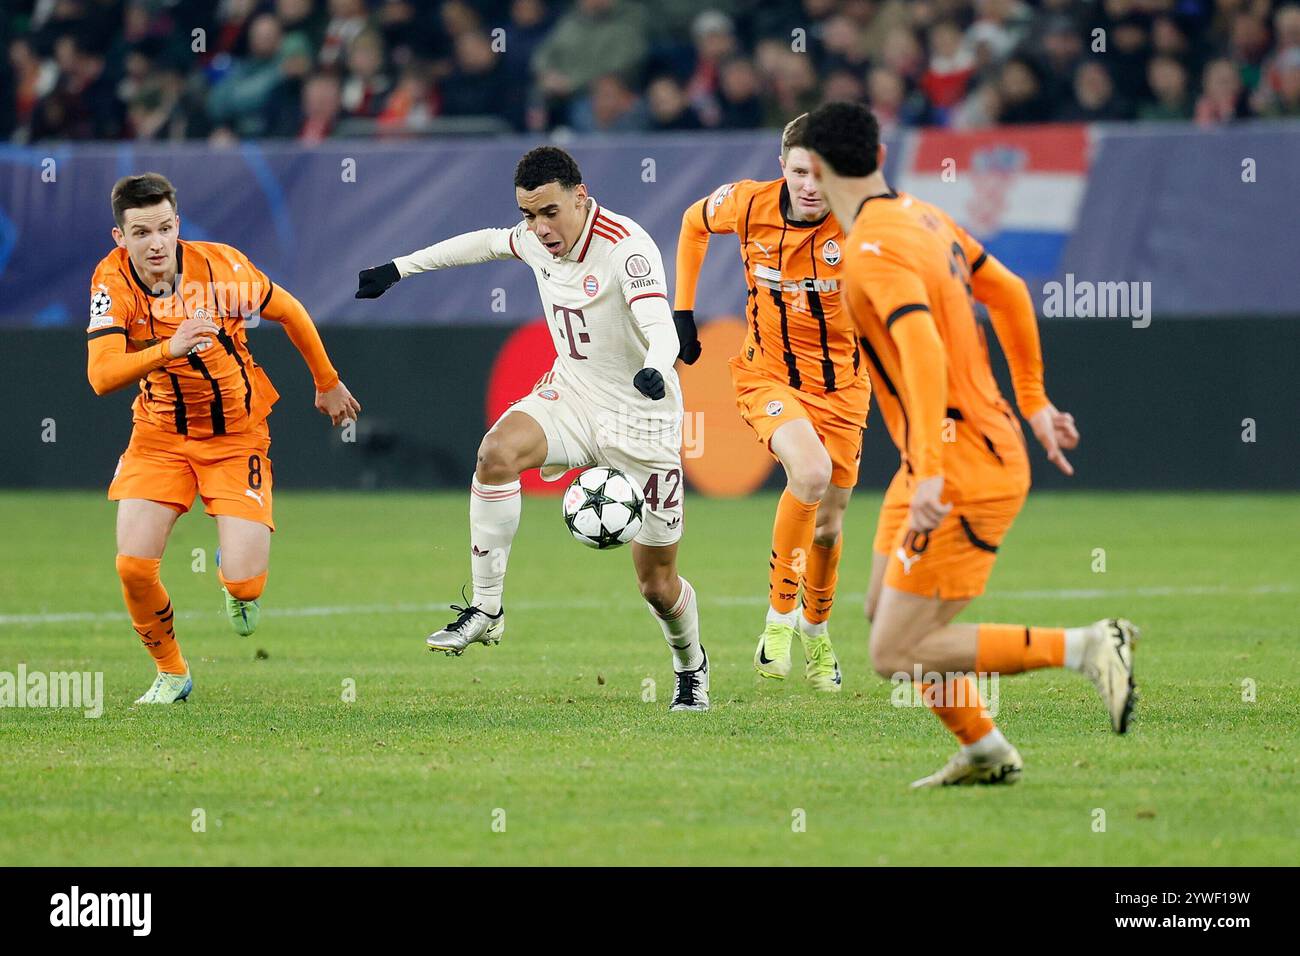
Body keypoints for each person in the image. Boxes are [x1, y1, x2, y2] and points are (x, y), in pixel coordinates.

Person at [801, 102, 1138, 787]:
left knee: (896, 651)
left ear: (822, 170)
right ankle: (985, 750)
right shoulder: (924, 217)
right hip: (953, 455)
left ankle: (1089, 647)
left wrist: (927, 471)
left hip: (955, 467)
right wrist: (1035, 401)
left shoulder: (869, 250)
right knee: (880, 610)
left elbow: (920, 349)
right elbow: (1009, 291)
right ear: (880, 159)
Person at [355, 147, 708, 711]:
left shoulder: (626, 246)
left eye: (549, 212)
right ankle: (488, 609)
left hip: (641, 417)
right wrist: (399, 268)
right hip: (571, 394)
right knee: (495, 453)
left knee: (656, 586)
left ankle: (690, 666)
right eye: (528, 215)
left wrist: (656, 365)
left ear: (580, 196)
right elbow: (480, 243)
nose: (539, 229)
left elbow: (657, 324)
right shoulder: (530, 237)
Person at [87, 173, 360, 704]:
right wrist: (170, 348)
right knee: (133, 567)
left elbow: (289, 310)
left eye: (165, 228)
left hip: (236, 434)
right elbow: (101, 376)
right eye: (141, 233)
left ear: (178, 225)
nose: (157, 243)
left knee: (245, 584)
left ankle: (233, 577)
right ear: (120, 238)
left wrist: (327, 382)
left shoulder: (221, 268)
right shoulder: (110, 281)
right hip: (159, 434)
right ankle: (171, 672)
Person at [673, 114, 870, 693]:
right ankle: (778, 621)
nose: (811, 185)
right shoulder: (747, 203)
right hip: (767, 376)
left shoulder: (860, 225)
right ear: (782, 167)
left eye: (823, 174)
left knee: (829, 528)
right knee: (810, 472)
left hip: (843, 390)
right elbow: (692, 223)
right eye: (801, 171)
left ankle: (817, 630)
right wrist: (683, 310)